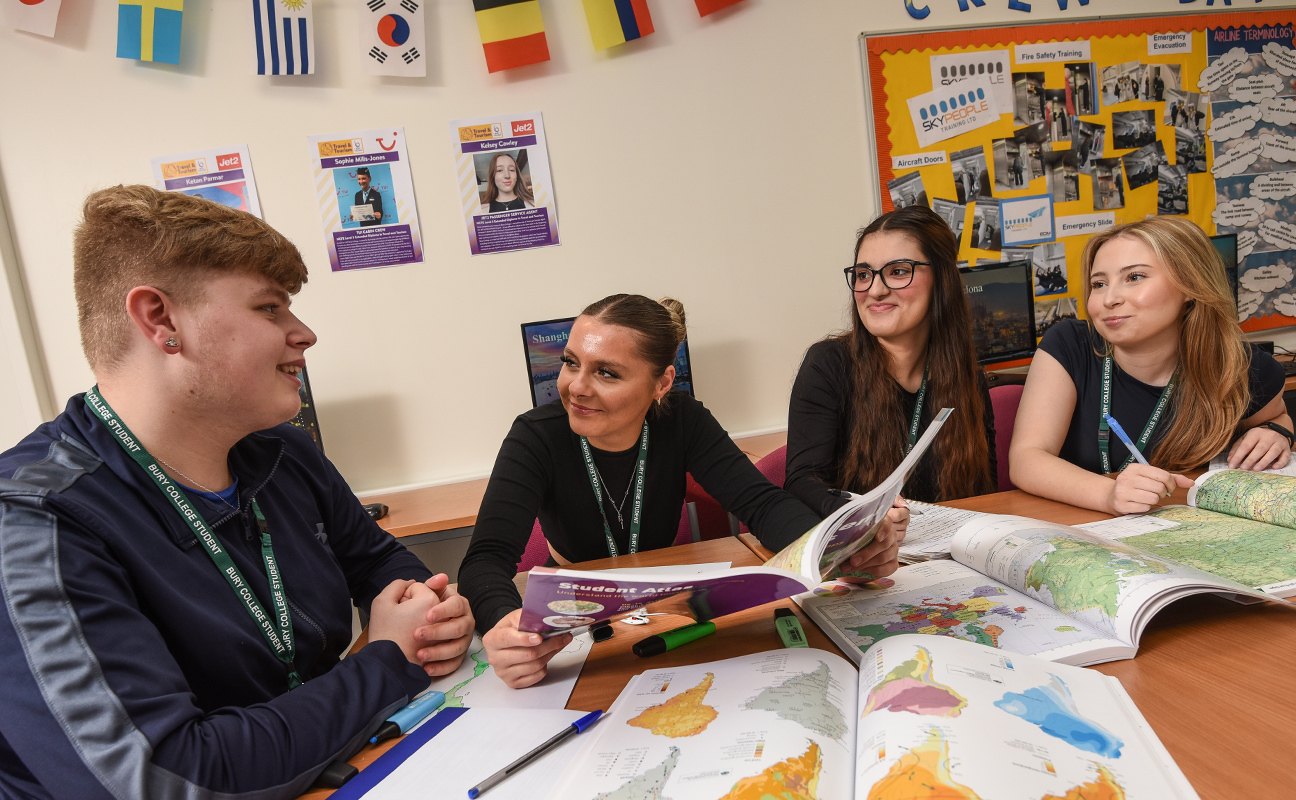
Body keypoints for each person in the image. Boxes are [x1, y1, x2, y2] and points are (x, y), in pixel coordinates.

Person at [0, 186, 474, 798]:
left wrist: (427, 614)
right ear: (161, 319)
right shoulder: (36, 523)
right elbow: (163, 778)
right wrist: (386, 660)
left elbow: (378, 560)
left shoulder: (282, 451)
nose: (303, 333)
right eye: (270, 309)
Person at [460, 295, 907, 688]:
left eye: (607, 373)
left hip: (659, 614)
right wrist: (505, 626)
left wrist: (837, 548)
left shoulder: (683, 419)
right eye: (571, 361)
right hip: (576, 624)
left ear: (662, 384)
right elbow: (485, 559)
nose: (576, 386)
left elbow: (762, 503)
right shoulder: (535, 435)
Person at [1010, 217, 1292, 515]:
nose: (1110, 299)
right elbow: (1027, 458)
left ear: (1190, 286)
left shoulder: (1240, 363)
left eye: (1134, 277)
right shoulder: (1069, 344)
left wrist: (1277, 432)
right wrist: (1109, 495)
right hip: (1090, 527)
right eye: (1099, 284)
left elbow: (1277, 419)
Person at [786, 205, 998, 521]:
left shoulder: (967, 378)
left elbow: (984, 494)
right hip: (865, 555)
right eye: (863, 274)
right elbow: (802, 485)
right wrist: (868, 516)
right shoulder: (829, 366)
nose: (875, 290)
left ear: (941, 280)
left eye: (898, 271)